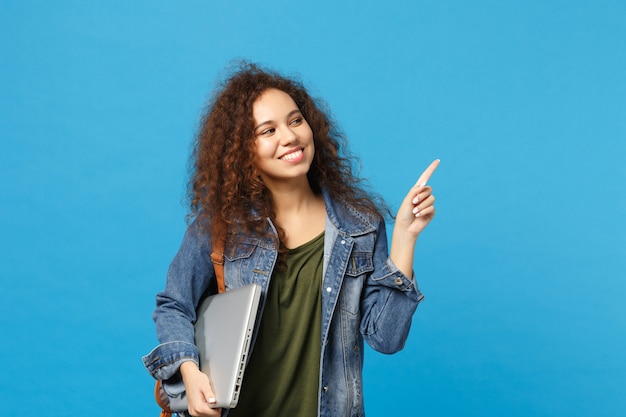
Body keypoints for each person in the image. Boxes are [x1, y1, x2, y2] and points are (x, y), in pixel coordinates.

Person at [142, 62, 439, 417]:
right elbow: (174, 305)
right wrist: (189, 373)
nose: (289, 136)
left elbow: (386, 338)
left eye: (295, 120)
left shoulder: (359, 226)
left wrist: (405, 237)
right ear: (242, 150)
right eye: (267, 130)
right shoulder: (219, 224)